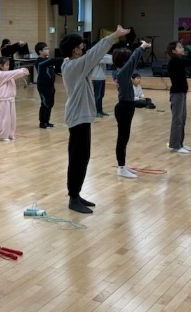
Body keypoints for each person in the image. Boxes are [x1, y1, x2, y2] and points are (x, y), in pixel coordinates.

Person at [60, 25, 130, 214]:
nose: (83, 48)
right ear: (74, 49)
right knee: (77, 159)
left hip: (81, 117)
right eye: (80, 46)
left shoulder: (73, 63)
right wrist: (114, 36)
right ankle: (73, 197)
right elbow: (94, 54)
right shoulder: (73, 66)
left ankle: (76, 194)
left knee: (83, 157)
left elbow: (96, 56)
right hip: (77, 118)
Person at [112, 41, 149, 179]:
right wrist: (141, 47)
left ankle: (122, 166)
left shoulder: (122, 72)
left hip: (127, 106)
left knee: (124, 138)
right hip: (123, 108)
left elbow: (132, 62)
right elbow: (133, 60)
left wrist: (142, 102)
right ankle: (121, 168)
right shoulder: (122, 73)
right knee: (122, 139)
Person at [0, 56, 29, 141]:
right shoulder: (0, 74)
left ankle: (10, 134)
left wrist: (23, 72)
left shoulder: (7, 74)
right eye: (6, 65)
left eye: (8, 65)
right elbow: (14, 73)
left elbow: (15, 75)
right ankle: (2, 135)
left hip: (11, 98)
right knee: (5, 118)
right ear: (1, 66)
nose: (8, 66)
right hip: (4, 99)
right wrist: (23, 70)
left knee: (12, 118)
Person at [34, 42, 61, 128]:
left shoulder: (48, 60)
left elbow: (54, 69)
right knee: (45, 103)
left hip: (50, 85)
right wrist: (65, 58)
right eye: (46, 49)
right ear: (40, 51)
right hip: (43, 86)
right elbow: (52, 61)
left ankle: (47, 121)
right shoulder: (39, 62)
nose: (48, 50)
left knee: (50, 103)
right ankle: (42, 123)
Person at [90, 52, 112, 118]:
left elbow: (109, 58)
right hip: (97, 78)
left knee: (101, 95)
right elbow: (111, 60)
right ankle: (96, 112)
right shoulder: (96, 56)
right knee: (97, 96)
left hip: (102, 78)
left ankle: (100, 111)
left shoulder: (102, 55)